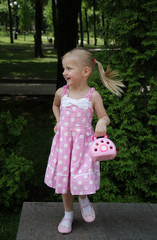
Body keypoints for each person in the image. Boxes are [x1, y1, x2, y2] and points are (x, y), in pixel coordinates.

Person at [44, 48, 125, 234]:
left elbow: (105, 117)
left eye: (69, 68)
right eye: (64, 68)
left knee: (81, 174)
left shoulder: (93, 96)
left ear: (85, 71)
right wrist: (58, 122)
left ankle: (83, 198)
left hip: (83, 145)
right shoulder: (61, 93)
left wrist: (102, 123)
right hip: (64, 144)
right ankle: (68, 214)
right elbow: (55, 106)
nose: (64, 73)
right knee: (65, 180)